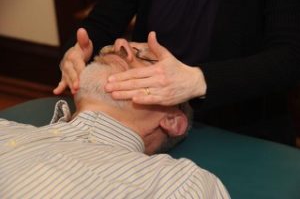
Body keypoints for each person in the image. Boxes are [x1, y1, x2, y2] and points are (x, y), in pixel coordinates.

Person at [0, 40, 230, 198]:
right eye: (111, 47)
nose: (120, 44)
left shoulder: (179, 183)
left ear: (172, 119)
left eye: (146, 58)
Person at [53, 0, 300, 144]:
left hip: (242, 127)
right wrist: (75, 53)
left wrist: (198, 81)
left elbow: (290, 58)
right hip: (147, 120)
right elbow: (100, 24)